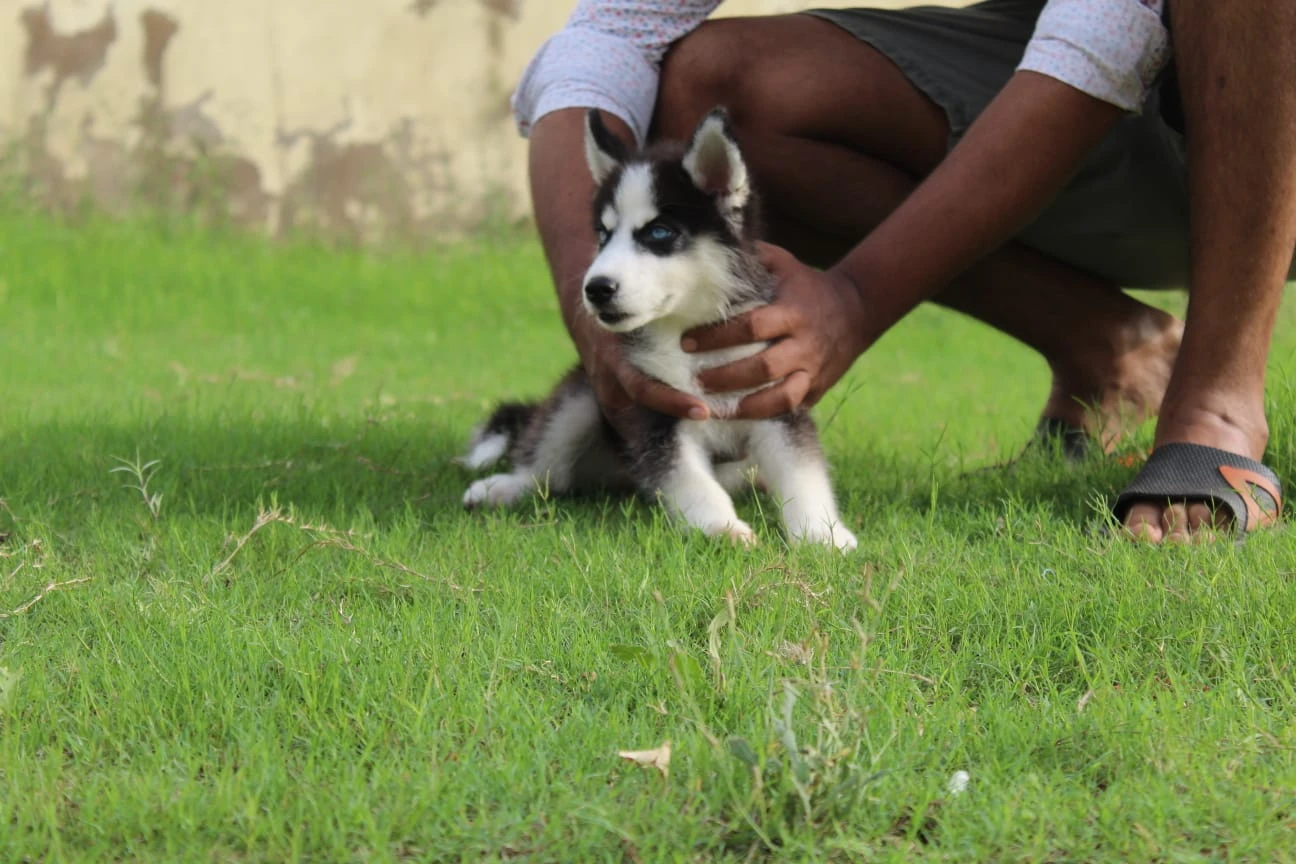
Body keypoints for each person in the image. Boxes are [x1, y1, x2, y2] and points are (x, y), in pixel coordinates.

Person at [511, 0, 1294, 543]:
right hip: (1139, 120)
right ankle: (1113, 350)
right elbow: (610, 37)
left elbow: (1107, 29)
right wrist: (591, 309)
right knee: (712, 91)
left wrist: (855, 297)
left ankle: (1216, 401)